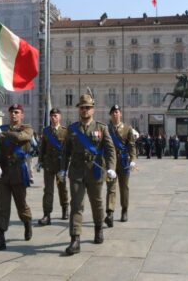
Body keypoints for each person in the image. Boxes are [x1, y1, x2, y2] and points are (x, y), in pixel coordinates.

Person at [61, 94, 116, 255]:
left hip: (95, 170)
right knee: (76, 205)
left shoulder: (101, 128)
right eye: (82, 107)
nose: (85, 110)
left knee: (97, 203)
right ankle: (75, 239)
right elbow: (65, 152)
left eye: (88, 107)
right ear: (79, 109)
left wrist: (111, 167)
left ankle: (98, 227)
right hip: (76, 171)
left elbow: (110, 149)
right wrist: (62, 169)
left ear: (93, 110)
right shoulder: (72, 129)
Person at [0, 104, 34, 252]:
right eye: (11, 112)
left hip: (19, 171)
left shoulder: (27, 129)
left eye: (17, 112)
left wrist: (3, 133)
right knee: (2, 206)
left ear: (22, 115)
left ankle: (27, 222)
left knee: (21, 205)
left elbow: (21, 138)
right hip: (3, 173)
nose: (13, 115)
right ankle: (0, 239)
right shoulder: (1, 130)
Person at [105, 104, 137, 226]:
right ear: (110, 115)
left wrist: (133, 159)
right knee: (111, 188)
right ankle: (110, 212)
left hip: (124, 162)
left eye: (117, 112)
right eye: (113, 112)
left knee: (124, 188)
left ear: (120, 114)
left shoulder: (127, 128)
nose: (115, 114)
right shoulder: (106, 129)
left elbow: (131, 146)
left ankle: (124, 210)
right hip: (110, 163)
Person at [38, 108, 69, 225]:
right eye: (52, 116)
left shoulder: (65, 132)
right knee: (48, 190)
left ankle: (65, 208)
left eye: (55, 116)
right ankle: (47, 214)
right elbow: (42, 148)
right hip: (49, 165)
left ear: (60, 117)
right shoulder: (46, 131)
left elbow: (67, 151)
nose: (53, 118)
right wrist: (40, 161)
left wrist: (65, 166)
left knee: (62, 188)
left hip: (60, 165)